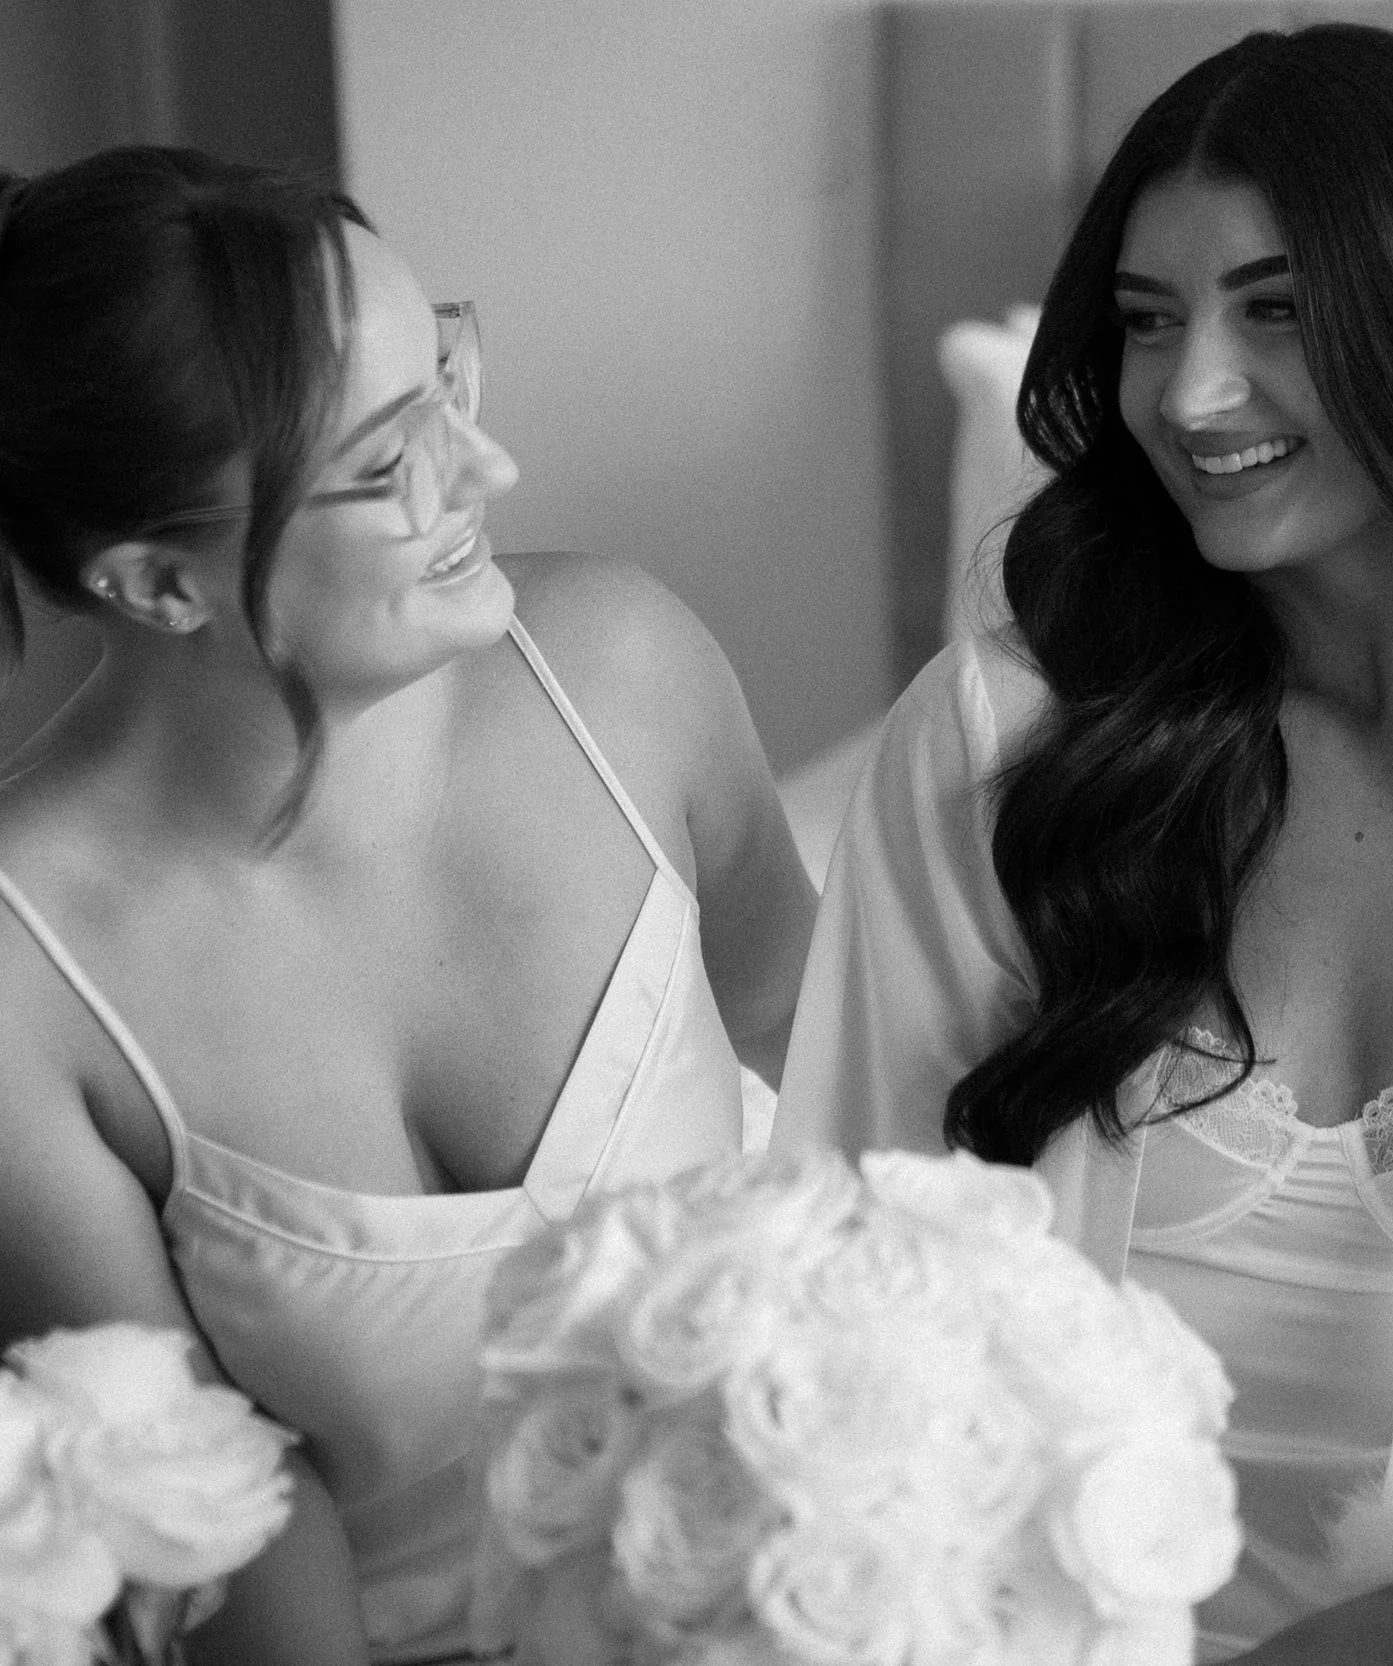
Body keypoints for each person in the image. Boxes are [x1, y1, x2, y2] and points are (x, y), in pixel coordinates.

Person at [773, 23, 1393, 1663]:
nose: (1189, 393)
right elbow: (833, 1324)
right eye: (1146, 319)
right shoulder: (1002, 754)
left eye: (1277, 311)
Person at [0, 148, 818, 1665]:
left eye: (445, 375)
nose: (485, 468)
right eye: (388, 463)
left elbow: (845, 1078)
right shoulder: (22, 975)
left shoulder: (625, 670)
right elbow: (225, 1525)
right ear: (162, 585)